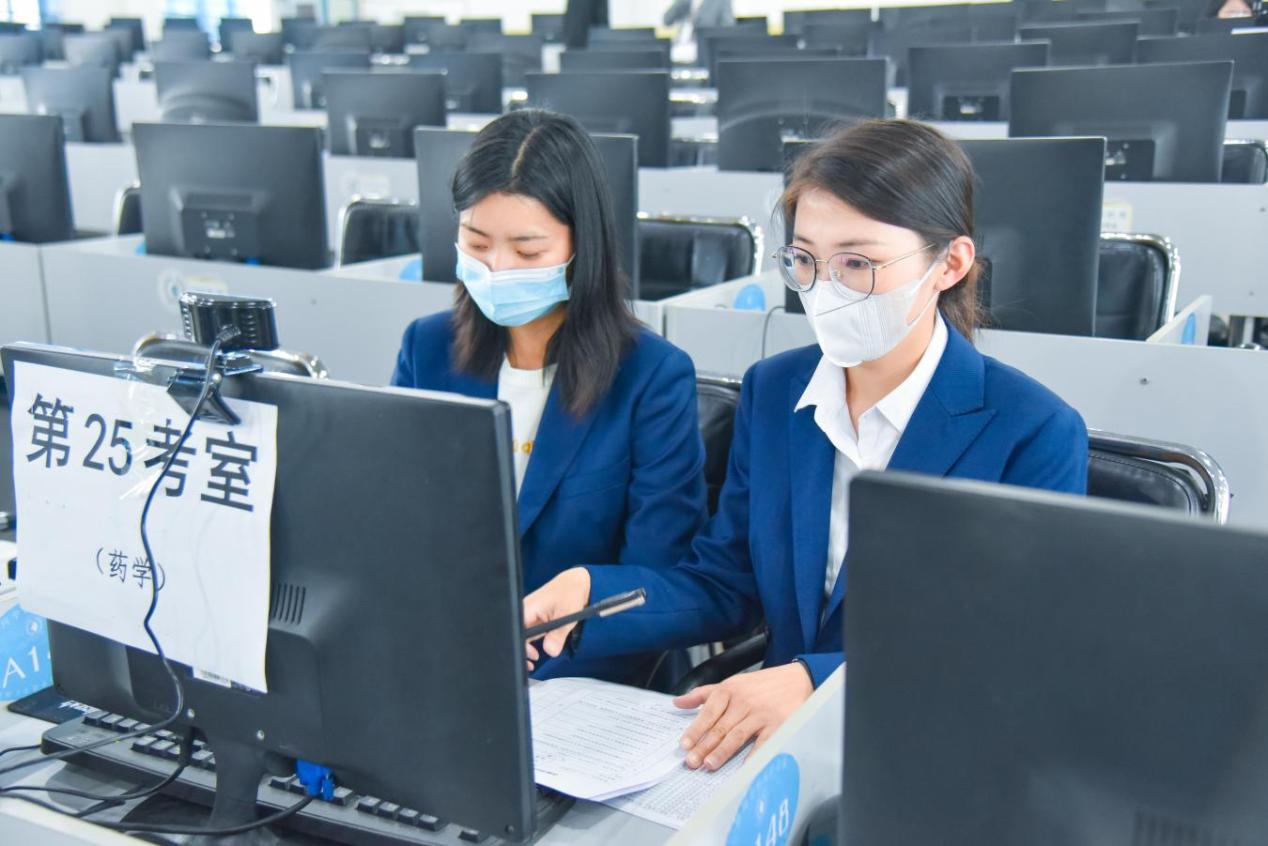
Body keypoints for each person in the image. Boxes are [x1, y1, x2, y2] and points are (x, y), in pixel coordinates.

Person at [523, 119, 1089, 770]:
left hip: (937, 758)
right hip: (778, 755)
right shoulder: (774, 392)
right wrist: (592, 593)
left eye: (857, 263)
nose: (825, 288)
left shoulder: (1032, 431)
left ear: (950, 264)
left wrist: (816, 682)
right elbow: (725, 582)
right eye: (805, 260)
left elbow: (1007, 651)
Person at [392, 109, 707, 685]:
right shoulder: (427, 348)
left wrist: (543, 652)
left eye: (527, 252)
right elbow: (399, 521)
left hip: (590, 677)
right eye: (477, 243)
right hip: (450, 661)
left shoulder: (652, 377)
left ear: (581, 246)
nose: (496, 268)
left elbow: (659, 579)